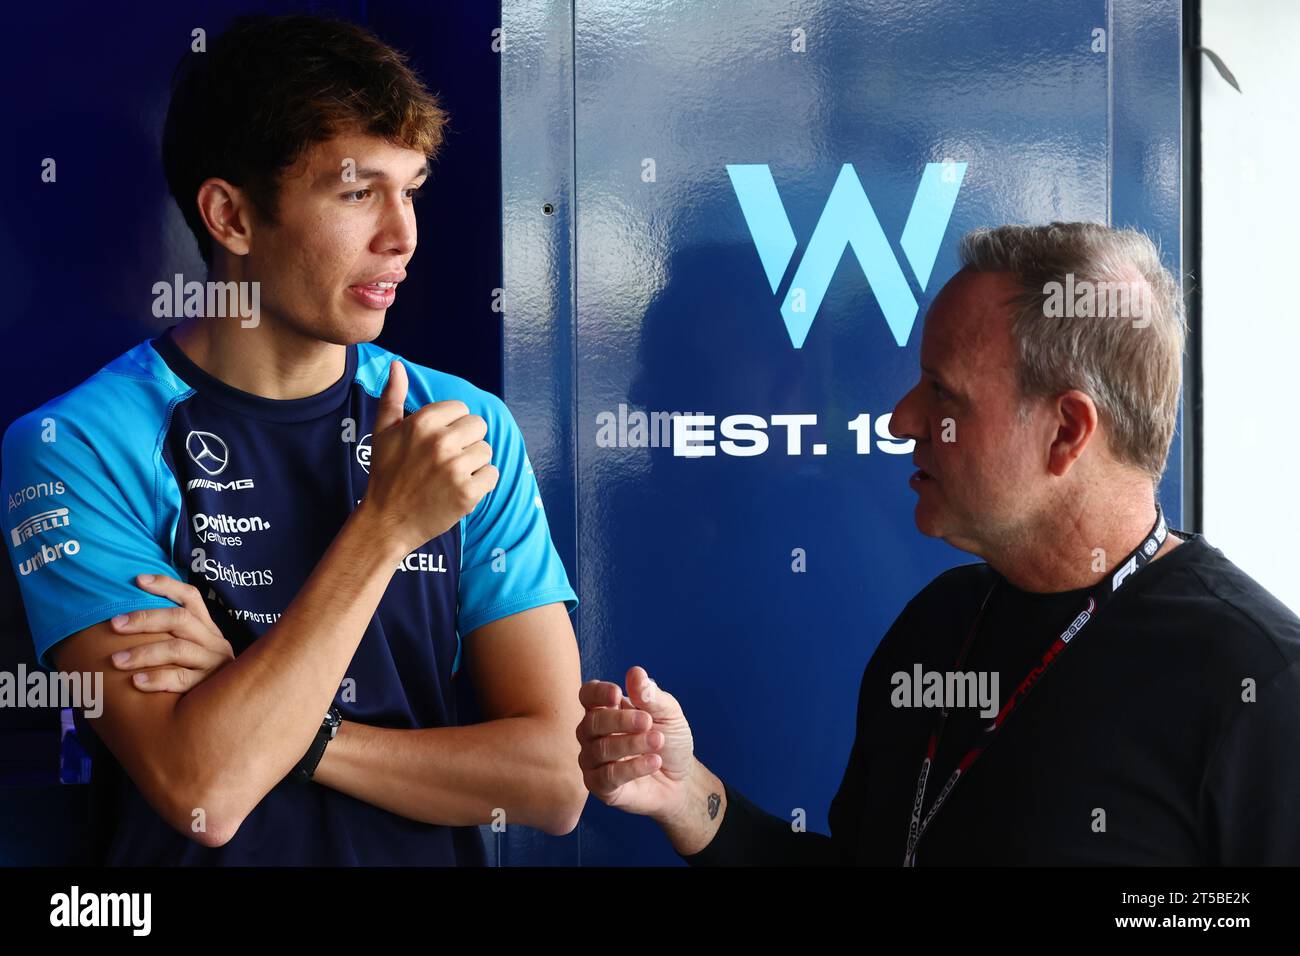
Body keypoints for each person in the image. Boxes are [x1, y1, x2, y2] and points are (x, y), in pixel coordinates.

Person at [1, 14, 584, 865]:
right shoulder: (77, 444)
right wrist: (386, 526)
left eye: (411, 188)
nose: (403, 235)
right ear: (231, 217)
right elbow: (204, 789)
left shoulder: (462, 424)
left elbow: (554, 779)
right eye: (357, 193)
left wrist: (298, 732)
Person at [577, 222, 1300, 865]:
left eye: (941, 392)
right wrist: (689, 796)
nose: (900, 419)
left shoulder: (1260, 686)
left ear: (1067, 432)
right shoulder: (938, 623)